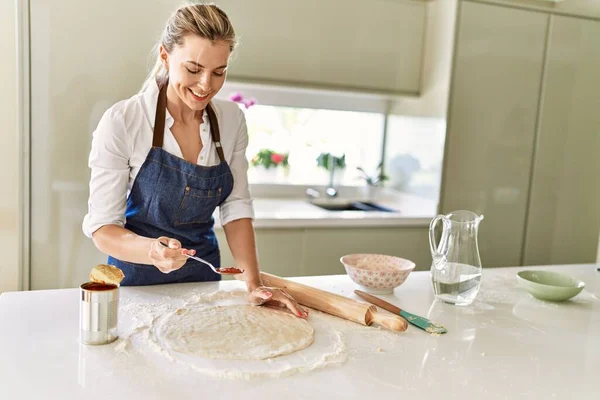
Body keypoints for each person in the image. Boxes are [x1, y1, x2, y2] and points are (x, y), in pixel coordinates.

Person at [82, 3, 307, 318]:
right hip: (135, 286)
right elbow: (104, 229)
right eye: (193, 69)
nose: (206, 85)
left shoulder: (230, 120)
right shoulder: (124, 121)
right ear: (165, 56)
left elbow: (236, 207)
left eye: (219, 72)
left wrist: (253, 284)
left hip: (203, 284)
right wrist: (152, 251)